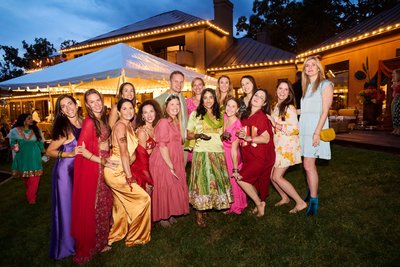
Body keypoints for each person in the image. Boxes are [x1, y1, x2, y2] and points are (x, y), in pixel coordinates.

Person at [71, 89, 116, 264]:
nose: (96, 103)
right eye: (92, 101)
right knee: (96, 204)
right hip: (95, 167)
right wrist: (102, 161)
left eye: (98, 100)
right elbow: (82, 151)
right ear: (87, 105)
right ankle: (95, 243)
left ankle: (101, 240)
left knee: (105, 203)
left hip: (103, 162)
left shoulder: (100, 119)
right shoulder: (89, 123)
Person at [104, 99, 151, 249]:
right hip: (117, 172)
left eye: (131, 108)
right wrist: (129, 176)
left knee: (121, 207)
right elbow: (124, 153)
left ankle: (116, 234)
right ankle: (136, 237)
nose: (129, 111)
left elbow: (130, 151)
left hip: (121, 168)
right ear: (118, 112)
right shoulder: (120, 127)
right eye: (124, 109)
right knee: (144, 199)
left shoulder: (129, 125)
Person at [187, 88, 232, 227]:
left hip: (217, 152)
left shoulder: (220, 115)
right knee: (202, 182)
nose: (208, 100)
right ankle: (199, 213)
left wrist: (224, 136)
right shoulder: (196, 114)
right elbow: (188, 134)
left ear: (215, 99)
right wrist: (198, 135)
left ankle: (208, 204)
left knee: (214, 182)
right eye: (205, 97)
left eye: (210, 97)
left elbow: (218, 134)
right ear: (202, 100)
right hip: (202, 152)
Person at [46, 95, 82, 260]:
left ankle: (79, 238)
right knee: (66, 207)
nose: (68, 108)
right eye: (64, 106)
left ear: (76, 104)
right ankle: (66, 245)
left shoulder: (82, 121)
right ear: (61, 111)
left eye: (70, 103)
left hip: (79, 170)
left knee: (78, 206)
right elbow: (49, 151)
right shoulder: (64, 128)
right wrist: (69, 153)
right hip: (64, 173)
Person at [299, 56, 334, 216]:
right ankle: (310, 192)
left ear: (319, 68)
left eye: (313, 65)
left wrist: (317, 132)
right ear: (304, 70)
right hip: (304, 127)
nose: (310, 67)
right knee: (306, 164)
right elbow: (305, 111)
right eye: (307, 66)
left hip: (315, 128)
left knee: (308, 165)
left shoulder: (326, 84)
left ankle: (314, 200)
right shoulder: (307, 87)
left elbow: (325, 111)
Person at [234, 89, 275, 217]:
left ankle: (259, 203)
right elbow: (248, 131)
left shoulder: (261, 117)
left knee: (241, 179)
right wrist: (242, 134)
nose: (257, 98)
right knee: (253, 182)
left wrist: (248, 138)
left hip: (260, 156)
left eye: (261, 97)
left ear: (264, 103)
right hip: (249, 155)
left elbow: (266, 138)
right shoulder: (246, 115)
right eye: (256, 95)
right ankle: (260, 202)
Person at [149, 95, 189, 228]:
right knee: (163, 187)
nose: (175, 107)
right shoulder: (164, 122)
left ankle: (170, 212)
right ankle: (162, 216)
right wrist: (171, 165)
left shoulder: (175, 121)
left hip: (173, 157)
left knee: (172, 186)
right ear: (166, 107)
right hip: (163, 159)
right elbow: (162, 145)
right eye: (172, 104)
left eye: (178, 104)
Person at [269, 81, 306, 214]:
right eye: (280, 88)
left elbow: (295, 129)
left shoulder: (289, 107)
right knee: (271, 176)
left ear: (289, 93)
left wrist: (276, 124)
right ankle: (284, 197)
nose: (283, 92)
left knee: (277, 177)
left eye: (286, 89)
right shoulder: (276, 105)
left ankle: (300, 202)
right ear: (276, 89)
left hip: (287, 147)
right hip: (278, 146)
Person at [9, 113, 45, 204]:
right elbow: (12, 142)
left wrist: (44, 152)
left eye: (31, 118)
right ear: (23, 120)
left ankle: (31, 198)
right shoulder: (15, 131)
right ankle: (31, 193)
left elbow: (40, 142)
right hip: (22, 157)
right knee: (26, 178)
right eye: (29, 118)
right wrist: (14, 146)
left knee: (35, 177)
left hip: (35, 157)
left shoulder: (36, 130)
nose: (31, 120)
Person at [222, 96, 247, 214]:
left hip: (232, 156)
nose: (230, 108)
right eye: (228, 105)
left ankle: (237, 206)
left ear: (237, 110)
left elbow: (234, 149)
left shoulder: (237, 126)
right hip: (223, 153)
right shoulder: (225, 117)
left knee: (233, 180)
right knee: (227, 180)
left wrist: (235, 168)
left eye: (233, 106)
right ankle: (229, 203)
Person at [132, 100, 162, 194]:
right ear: (142, 115)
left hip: (153, 168)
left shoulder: (156, 128)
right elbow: (141, 158)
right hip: (142, 170)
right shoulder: (141, 132)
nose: (149, 115)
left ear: (155, 112)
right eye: (145, 112)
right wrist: (147, 179)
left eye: (151, 111)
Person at [155, 71, 189, 140]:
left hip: (184, 141)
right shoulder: (159, 101)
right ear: (170, 82)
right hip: (169, 142)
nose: (179, 84)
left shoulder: (182, 97)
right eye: (176, 81)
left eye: (181, 82)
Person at [185, 77, 205, 161]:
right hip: (193, 137)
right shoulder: (187, 102)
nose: (197, 87)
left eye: (200, 84)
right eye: (195, 85)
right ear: (192, 88)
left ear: (203, 86)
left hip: (206, 136)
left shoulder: (209, 100)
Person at [391, 68, 400, 135]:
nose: (392, 75)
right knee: (394, 113)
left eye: (394, 73)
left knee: (398, 114)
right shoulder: (394, 81)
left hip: (399, 99)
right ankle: (395, 128)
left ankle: (398, 129)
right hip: (395, 99)